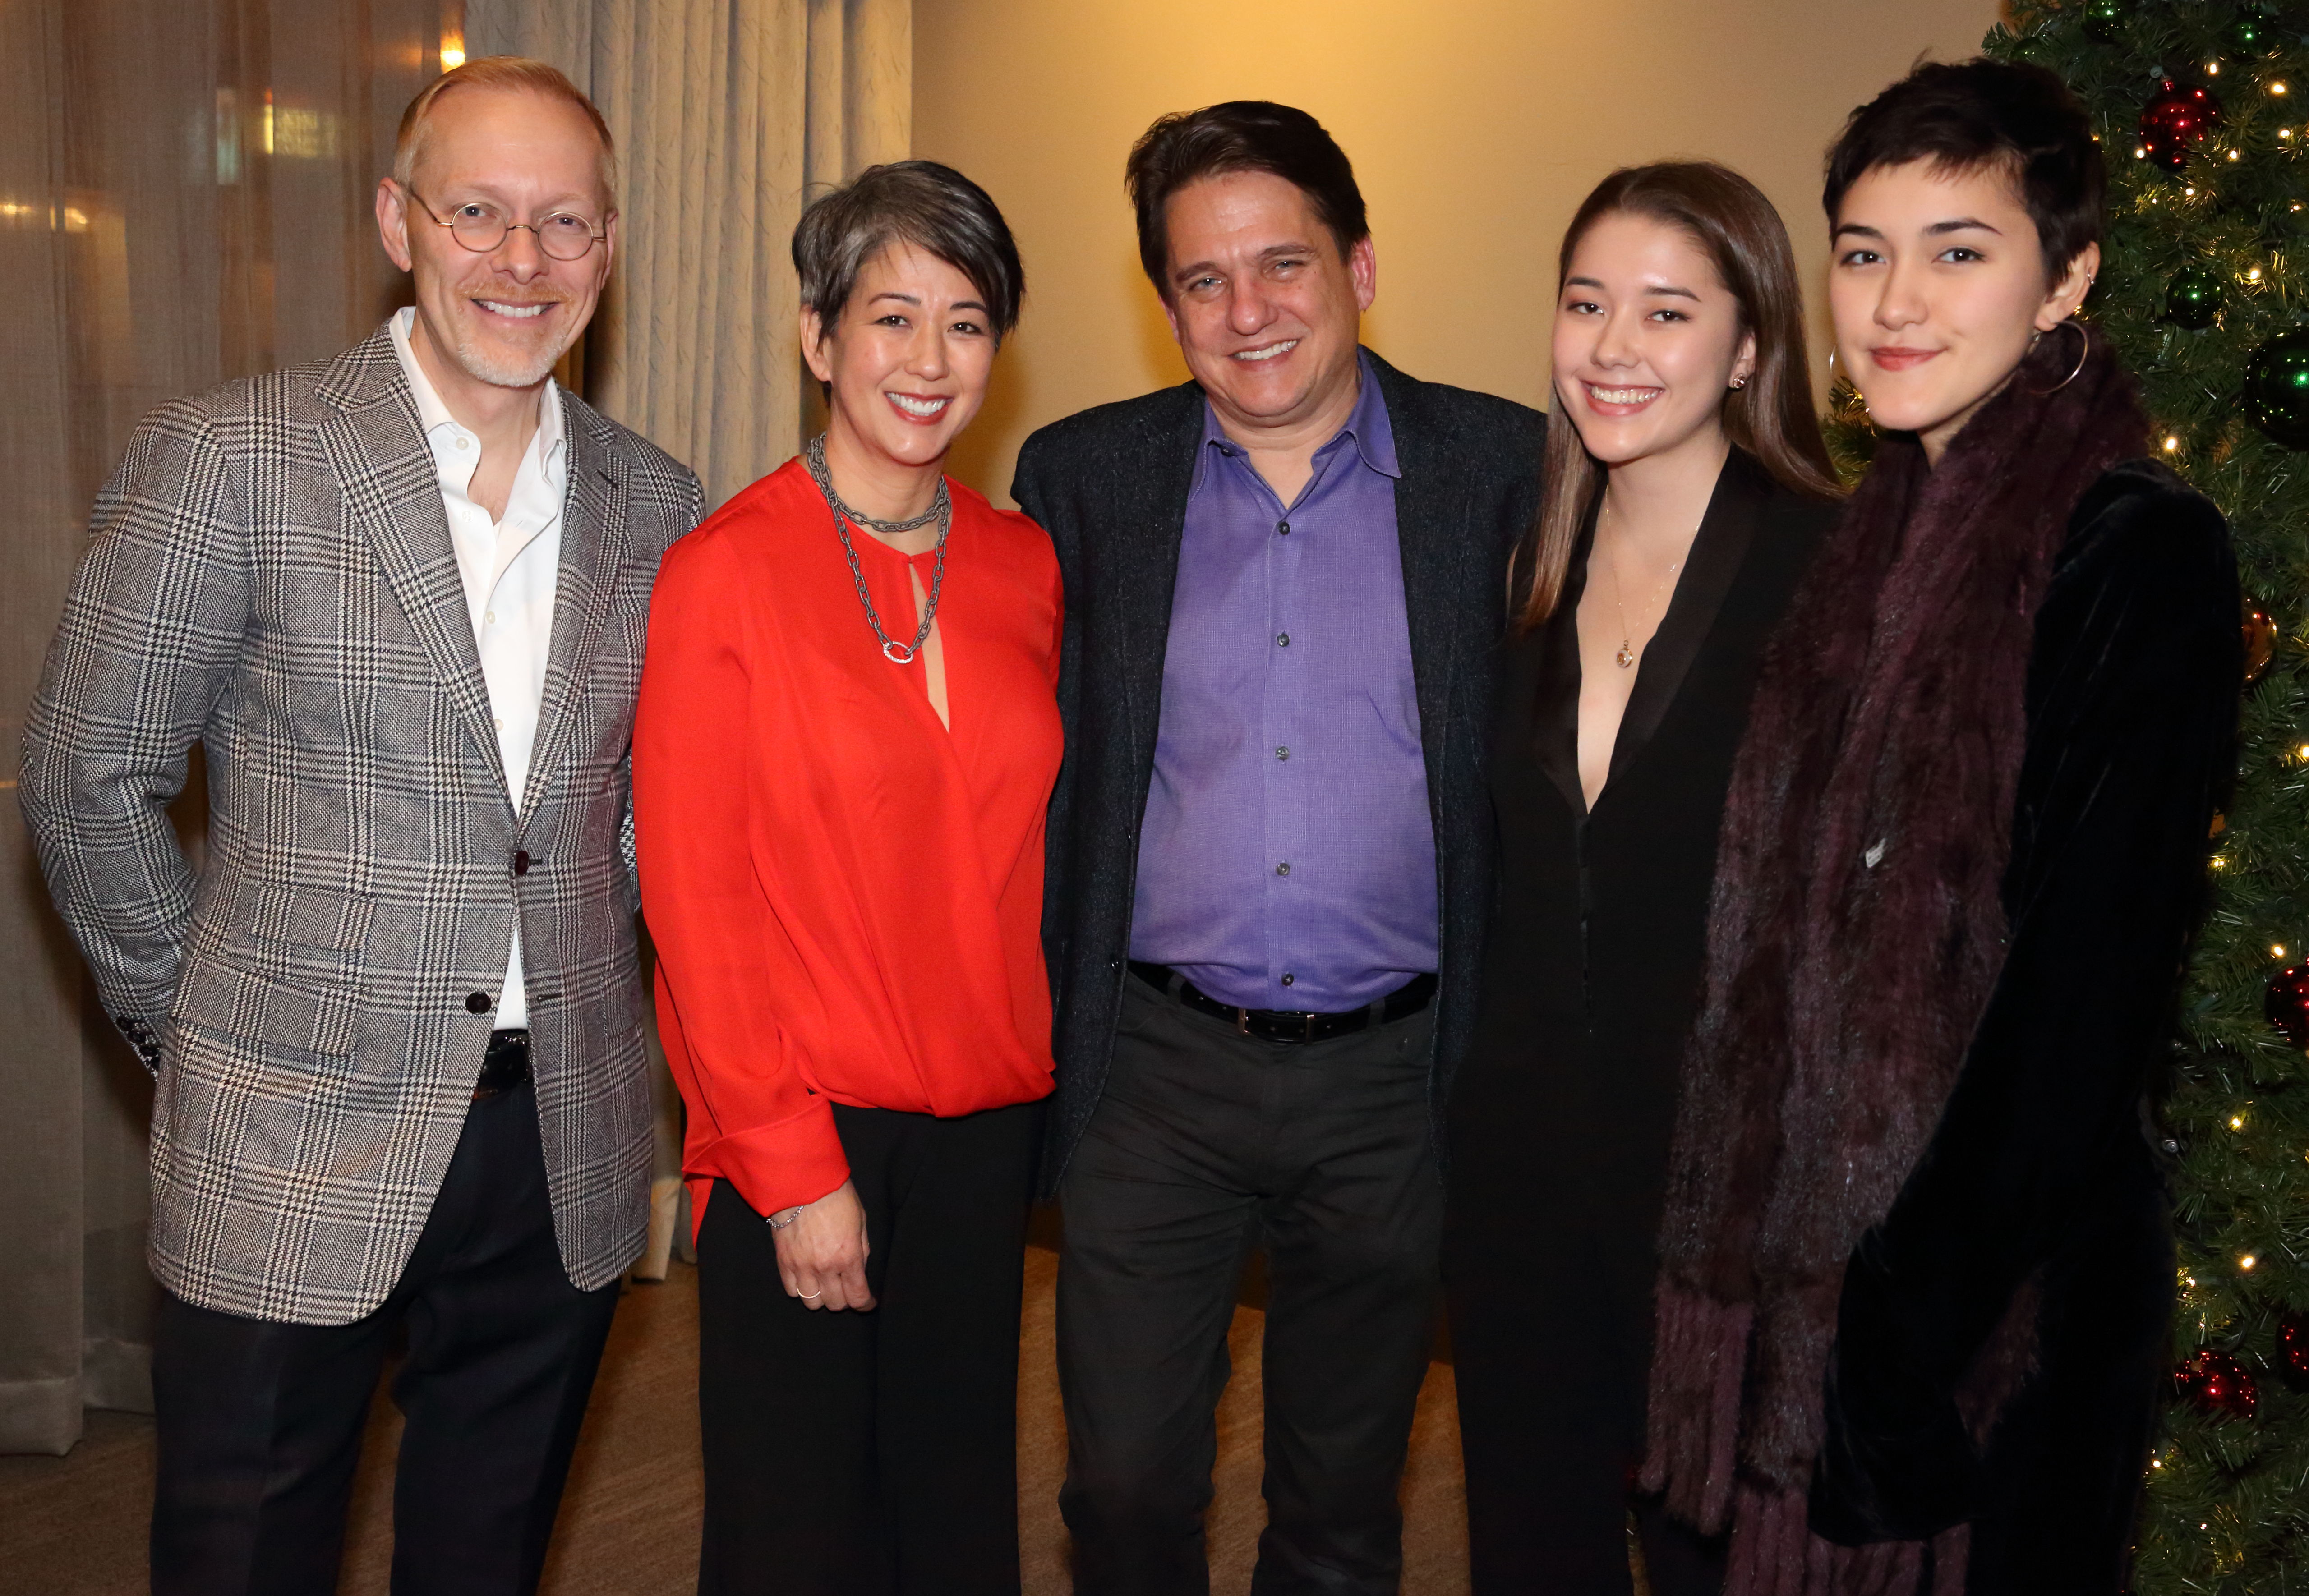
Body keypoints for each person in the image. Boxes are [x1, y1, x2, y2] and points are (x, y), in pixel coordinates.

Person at [17, 57, 701, 1596]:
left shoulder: (663, 509)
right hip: (288, 1132)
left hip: (566, 1143)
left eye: (564, 222)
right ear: (399, 220)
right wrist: (203, 1025)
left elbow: (648, 815)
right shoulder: (233, 462)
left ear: (608, 248)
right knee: (245, 1554)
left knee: (489, 1555)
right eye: (478, 211)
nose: (521, 261)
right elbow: (86, 776)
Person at [1642, 60, 2239, 1594]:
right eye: (1863, 250)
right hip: (1820, 1289)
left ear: (2069, 281)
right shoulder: (1870, 533)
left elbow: (2081, 1008)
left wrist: (1891, 1334)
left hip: (1992, 1327)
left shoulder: (2134, 545)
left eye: (1959, 250)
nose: (1895, 302)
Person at [1014, 101, 1545, 1595]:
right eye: (1202, 279)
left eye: (1285, 265)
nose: (1248, 313)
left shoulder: (1507, 474)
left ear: (1361, 267)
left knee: (1344, 1500)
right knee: (1120, 1488)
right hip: (1156, 1074)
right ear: (1164, 299)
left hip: (1398, 1077)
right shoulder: (1083, 482)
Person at [632, 161, 1055, 1596]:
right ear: (819, 337)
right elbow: (694, 897)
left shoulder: (1026, 568)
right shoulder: (724, 572)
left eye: (966, 321)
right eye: (891, 317)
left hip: (987, 1131)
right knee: (795, 1530)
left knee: (952, 1514)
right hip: (800, 1131)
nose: (929, 361)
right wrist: (792, 1162)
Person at [1443, 162, 1842, 1595]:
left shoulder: (1832, 565)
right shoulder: (1513, 555)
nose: (1613, 346)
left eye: (1667, 312)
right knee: (1531, 1546)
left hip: (1732, 1189)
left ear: (1748, 348)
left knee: (1721, 1562)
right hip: (1525, 1167)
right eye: (1587, 302)